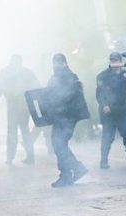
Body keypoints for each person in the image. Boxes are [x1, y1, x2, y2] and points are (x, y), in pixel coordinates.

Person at [46, 53, 89, 187]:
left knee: (59, 143)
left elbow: (66, 96)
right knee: (59, 144)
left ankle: (68, 173)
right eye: (54, 63)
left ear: (65, 63)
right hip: (61, 116)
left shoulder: (69, 77)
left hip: (67, 116)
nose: (56, 66)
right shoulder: (56, 77)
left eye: (58, 63)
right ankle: (73, 170)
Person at [0, 55, 39, 165]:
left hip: (20, 107)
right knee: (20, 131)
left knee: (15, 131)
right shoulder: (23, 72)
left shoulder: (10, 72)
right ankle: (23, 157)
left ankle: (14, 157)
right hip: (18, 106)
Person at [96, 52, 126, 169]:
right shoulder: (102, 76)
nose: (115, 63)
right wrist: (104, 105)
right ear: (110, 61)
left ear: (120, 61)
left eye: (117, 60)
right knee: (107, 136)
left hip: (122, 109)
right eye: (112, 60)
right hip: (108, 111)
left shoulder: (125, 74)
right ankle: (103, 160)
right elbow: (99, 93)